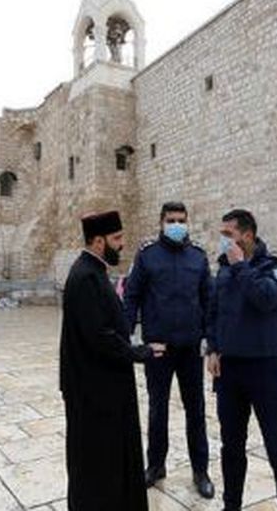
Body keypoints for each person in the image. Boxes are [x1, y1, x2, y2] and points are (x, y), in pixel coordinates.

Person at [59, 210, 166, 511]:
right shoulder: (84, 277)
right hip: (94, 393)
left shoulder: (94, 271)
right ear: (97, 241)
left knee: (112, 459)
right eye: (116, 238)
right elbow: (99, 336)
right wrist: (138, 352)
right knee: (96, 464)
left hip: (105, 389)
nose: (122, 244)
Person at [206, 209, 277, 511]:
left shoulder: (275, 265)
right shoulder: (223, 269)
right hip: (230, 371)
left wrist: (240, 267)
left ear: (247, 235)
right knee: (231, 447)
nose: (223, 242)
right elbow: (214, 312)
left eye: (228, 235)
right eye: (222, 235)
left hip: (265, 369)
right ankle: (230, 505)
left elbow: (267, 298)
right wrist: (213, 348)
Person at [122, 201, 214, 498]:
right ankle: (156, 466)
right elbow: (132, 296)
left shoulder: (198, 257)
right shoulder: (148, 255)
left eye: (181, 220)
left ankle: (200, 470)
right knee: (157, 411)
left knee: (196, 411)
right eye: (172, 220)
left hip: (189, 350)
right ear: (161, 222)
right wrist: (125, 340)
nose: (177, 225)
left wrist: (212, 342)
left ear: (188, 222)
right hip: (158, 350)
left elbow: (209, 302)